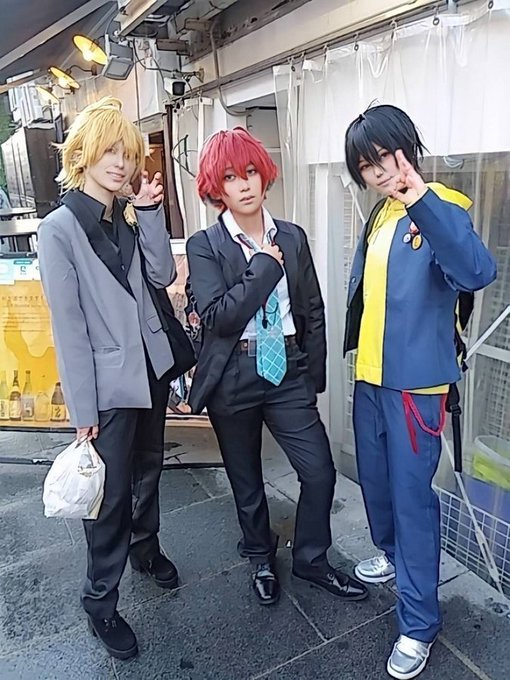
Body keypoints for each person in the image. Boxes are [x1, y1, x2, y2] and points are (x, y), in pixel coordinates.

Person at [343, 104, 497, 679]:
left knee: (412, 501)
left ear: (408, 147)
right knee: (377, 488)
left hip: (416, 388)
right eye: (367, 165)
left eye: (386, 156)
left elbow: (477, 272)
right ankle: (391, 555)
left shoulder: (442, 207)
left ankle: (419, 622)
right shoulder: (379, 216)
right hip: (370, 378)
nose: (380, 171)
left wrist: (421, 202)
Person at [186, 127, 368, 606]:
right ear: (216, 187)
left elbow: (312, 308)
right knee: (246, 479)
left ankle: (311, 559)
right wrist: (265, 266)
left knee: (320, 471)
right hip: (233, 373)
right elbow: (219, 317)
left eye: (250, 172)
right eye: (230, 177)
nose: (244, 184)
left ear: (264, 176)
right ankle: (260, 557)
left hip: (287, 369)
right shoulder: (205, 245)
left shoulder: (292, 235)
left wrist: (312, 375)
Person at [38, 97, 179, 660]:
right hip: (106, 387)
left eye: (128, 154)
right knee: (107, 495)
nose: (121, 163)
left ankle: (146, 549)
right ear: (83, 154)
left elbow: (163, 275)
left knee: (149, 469)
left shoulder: (126, 215)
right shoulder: (59, 229)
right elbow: (68, 326)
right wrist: (83, 411)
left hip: (150, 370)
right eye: (110, 152)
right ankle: (100, 600)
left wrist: (150, 213)